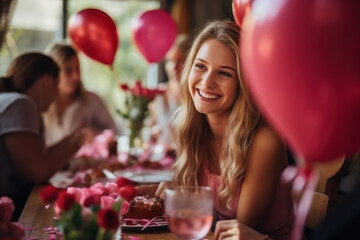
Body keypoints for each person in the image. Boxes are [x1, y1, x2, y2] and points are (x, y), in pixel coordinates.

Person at [138, 20, 294, 240]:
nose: (207, 82)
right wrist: (171, 193)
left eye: (224, 73)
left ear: (244, 83)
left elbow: (236, 232)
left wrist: (183, 201)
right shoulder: (194, 129)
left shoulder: (264, 141)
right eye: (200, 66)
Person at [0, 52, 88, 221]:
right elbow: (38, 172)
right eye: (57, 86)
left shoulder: (9, 100)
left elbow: (40, 156)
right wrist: (75, 145)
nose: (56, 96)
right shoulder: (20, 103)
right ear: (47, 80)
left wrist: (71, 139)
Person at [42, 43, 117, 147]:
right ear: (52, 73)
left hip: (86, 162)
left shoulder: (91, 99)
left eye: (78, 69)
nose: (76, 76)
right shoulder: (40, 105)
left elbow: (115, 131)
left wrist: (97, 135)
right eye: (68, 70)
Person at [148, 34, 192, 146]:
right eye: (170, 61)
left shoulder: (197, 97)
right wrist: (152, 133)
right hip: (161, 159)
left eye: (180, 60)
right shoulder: (159, 93)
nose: (173, 67)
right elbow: (150, 130)